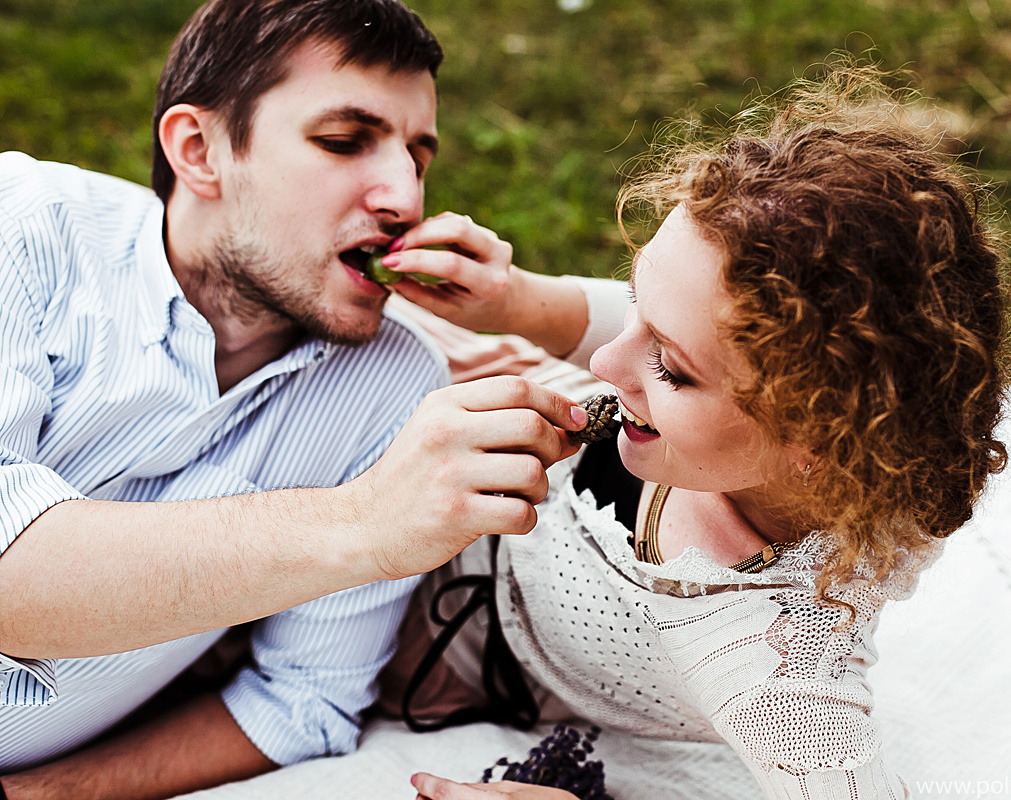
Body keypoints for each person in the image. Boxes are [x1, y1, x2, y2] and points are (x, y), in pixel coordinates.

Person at [365, 72, 1011, 799]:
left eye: (673, 370)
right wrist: (518, 300)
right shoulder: (724, 414)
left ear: (817, 441)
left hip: (461, 638)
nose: (606, 363)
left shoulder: (766, 657)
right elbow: (644, 327)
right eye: (635, 306)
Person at [0, 1, 595, 797]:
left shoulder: (395, 387)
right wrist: (367, 521)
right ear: (199, 150)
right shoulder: (24, 227)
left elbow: (301, 705)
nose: (404, 201)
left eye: (418, 157)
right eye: (345, 141)